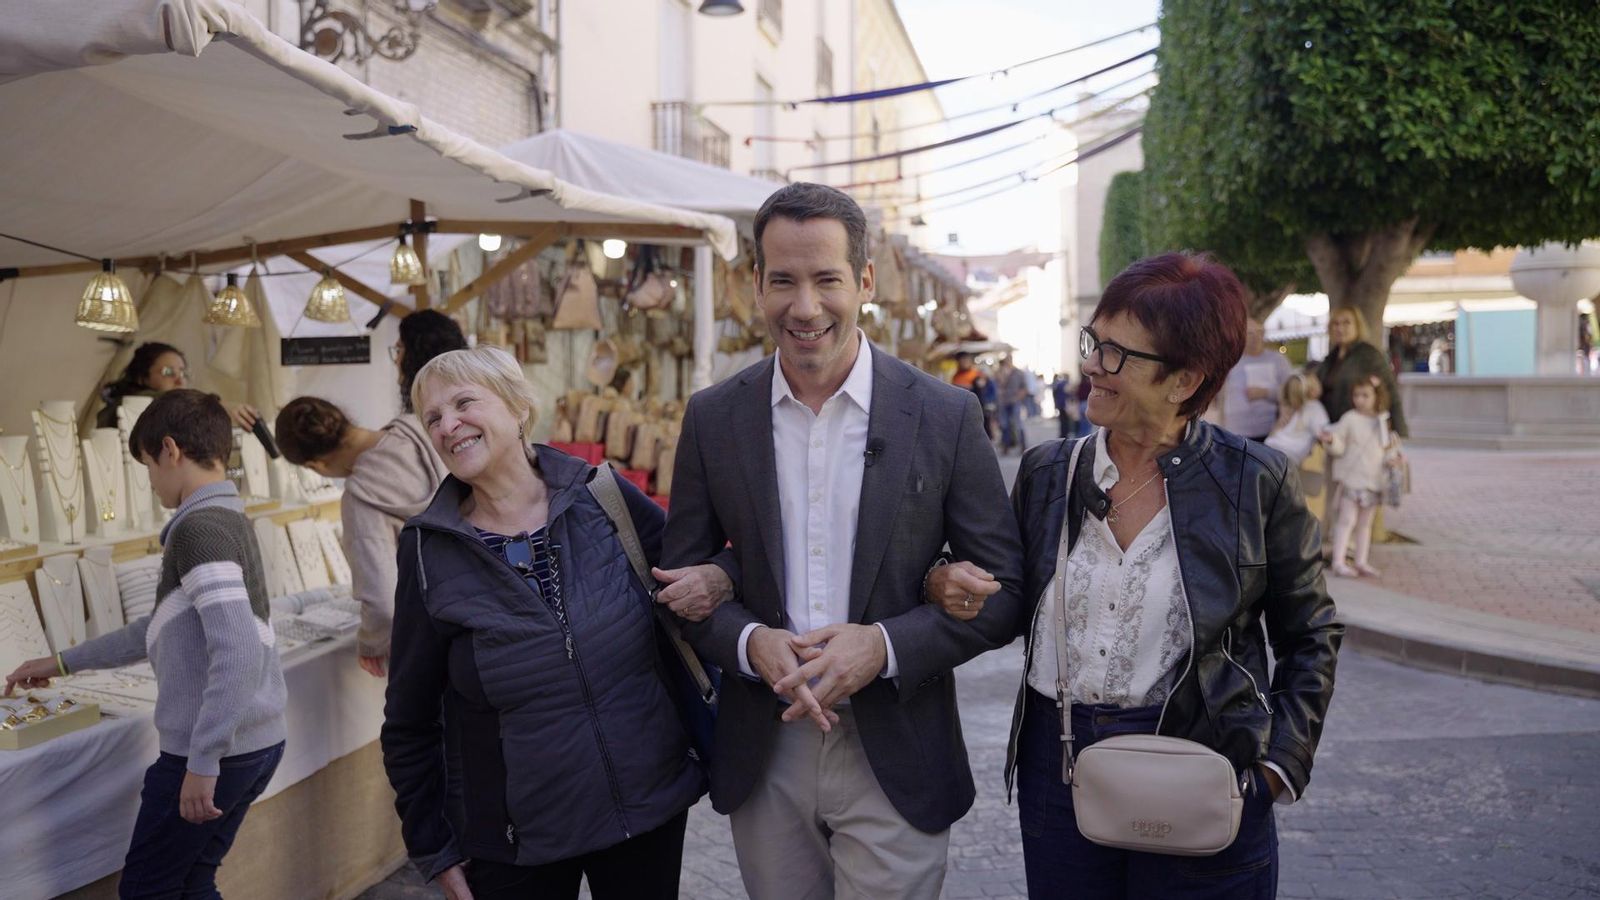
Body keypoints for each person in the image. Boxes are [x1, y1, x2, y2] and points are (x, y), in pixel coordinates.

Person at [928, 252, 1341, 899]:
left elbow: (1310, 633)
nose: (1092, 364)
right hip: (1058, 767)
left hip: (1201, 761)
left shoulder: (1254, 482)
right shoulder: (1048, 471)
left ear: (1184, 380)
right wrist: (942, 582)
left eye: (1117, 353)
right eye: (1093, 342)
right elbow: (1003, 597)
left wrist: (1275, 768)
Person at [659, 182, 1024, 900]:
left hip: (898, 745)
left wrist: (883, 646)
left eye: (826, 279)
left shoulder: (945, 414)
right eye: (783, 281)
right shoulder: (713, 418)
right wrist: (750, 644)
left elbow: (1006, 591)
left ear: (864, 281)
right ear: (756, 284)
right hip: (766, 748)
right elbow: (681, 586)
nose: (805, 307)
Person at [380, 347, 734, 900]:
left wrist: (720, 577)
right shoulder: (429, 550)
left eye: (464, 403)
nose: (448, 425)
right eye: (433, 417)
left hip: (647, 805)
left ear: (518, 407)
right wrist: (432, 844)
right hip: (518, 839)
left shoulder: (602, 496)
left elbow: (704, 565)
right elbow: (409, 717)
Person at [7, 389, 287, 897]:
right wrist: (62, 662)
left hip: (217, 750)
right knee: (192, 881)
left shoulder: (200, 530)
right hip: (253, 742)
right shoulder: (227, 517)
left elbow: (239, 650)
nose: (151, 481)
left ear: (170, 450)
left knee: (146, 889)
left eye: (148, 467)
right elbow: (161, 627)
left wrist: (203, 760)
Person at [275, 396, 449, 676]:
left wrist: (371, 644)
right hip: (497, 599)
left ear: (316, 466)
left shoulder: (361, 500)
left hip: (439, 638)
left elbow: (382, 603)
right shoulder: (418, 428)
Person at [1318, 377, 1401, 578]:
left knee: (1365, 524)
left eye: (1365, 395)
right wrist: (1331, 440)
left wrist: (1393, 459)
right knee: (1346, 521)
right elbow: (1339, 446)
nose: (1360, 400)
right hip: (1352, 480)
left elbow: (1388, 448)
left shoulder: (1382, 421)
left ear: (1377, 396)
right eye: (1356, 395)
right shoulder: (1350, 418)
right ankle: (1339, 561)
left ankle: (1361, 561)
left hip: (1374, 480)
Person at [95, 341, 261, 431]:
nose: (179, 380)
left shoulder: (177, 417)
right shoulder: (121, 409)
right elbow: (166, 402)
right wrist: (213, 406)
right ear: (142, 378)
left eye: (182, 373)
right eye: (168, 372)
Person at [1317, 307, 1407, 438]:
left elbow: (1390, 392)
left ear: (1357, 326)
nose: (1340, 328)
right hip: (1334, 432)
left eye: (1346, 323)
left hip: (1361, 432)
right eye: (1336, 323)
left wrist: (1400, 433)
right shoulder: (1331, 358)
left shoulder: (1369, 355)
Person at [1219, 318, 1292, 441]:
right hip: (1236, 432)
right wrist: (1221, 426)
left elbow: (1291, 392)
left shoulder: (1278, 360)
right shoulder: (1230, 362)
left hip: (1270, 431)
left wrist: (1265, 393)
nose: (1256, 337)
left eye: (1259, 332)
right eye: (1250, 333)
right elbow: (1223, 395)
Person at [393, 309, 469, 413]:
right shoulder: (468, 398)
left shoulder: (424, 414)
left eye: (399, 350)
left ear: (416, 356)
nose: (396, 360)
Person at [1265, 368, 1331, 467]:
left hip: (1271, 446)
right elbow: (1321, 431)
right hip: (1290, 453)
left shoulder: (1289, 407)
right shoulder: (1315, 408)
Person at [996, 355, 1030, 454]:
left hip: (1015, 401)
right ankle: (1006, 446)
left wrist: (1018, 398)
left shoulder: (1018, 373)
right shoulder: (1000, 372)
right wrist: (1003, 375)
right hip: (1004, 401)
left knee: (1018, 423)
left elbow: (1024, 388)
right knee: (1005, 424)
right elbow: (999, 385)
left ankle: (1023, 446)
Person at [1051, 372, 1075, 439]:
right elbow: (1070, 395)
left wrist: (1056, 404)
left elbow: (1055, 394)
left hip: (1060, 404)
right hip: (1066, 405)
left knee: (1062, 420)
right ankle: (1065, 434)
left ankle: (1062, 434)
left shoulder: (1059, 384)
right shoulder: (1067, 384)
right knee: (1066, 421)